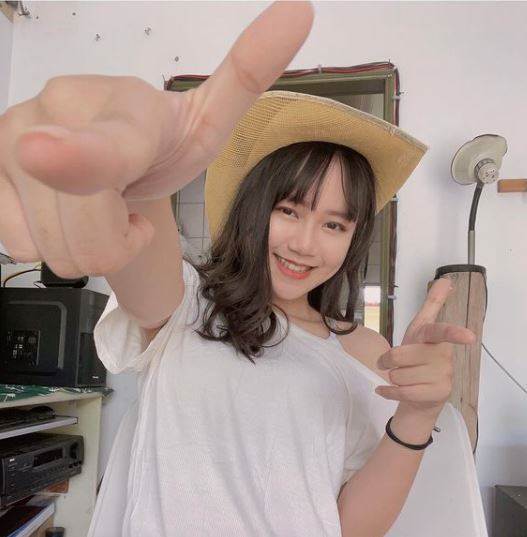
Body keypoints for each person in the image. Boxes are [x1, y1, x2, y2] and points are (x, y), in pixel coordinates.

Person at [0, 2, 476, 536]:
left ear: (354, 237)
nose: (305, 244)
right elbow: (141, 245)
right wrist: (142, 173)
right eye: (289, 211)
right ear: (255, 209)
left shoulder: (367, 352)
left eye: (334, 224)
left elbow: (347, 526)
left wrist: (416, 417)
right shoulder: (189, 303)